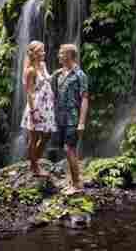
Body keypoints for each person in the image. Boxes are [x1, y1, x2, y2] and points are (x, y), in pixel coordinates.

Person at [54, 43, 89, 194]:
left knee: (70, 149)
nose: (59, 56)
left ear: (69, 55)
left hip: (72, 117)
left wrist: (81, 122)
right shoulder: (60, 74)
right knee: (67, 149)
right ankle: (72, 181)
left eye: (61, 53)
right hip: (61, 117)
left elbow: (85, 99)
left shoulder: (80, 75)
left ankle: (77, 184)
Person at [21, 40, 56, 177]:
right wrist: (33, 111)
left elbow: (47, 79)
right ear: (34, 54)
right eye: (41, 51)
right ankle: (35, 167)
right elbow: (29, 92)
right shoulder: (30, 71)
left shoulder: (42, 65)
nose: (44, 53)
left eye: (44, 50)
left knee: (47, 135)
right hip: (36, 105)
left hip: (47, 105)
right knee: (34, 137)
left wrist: (58, 73)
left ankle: (34, 161)